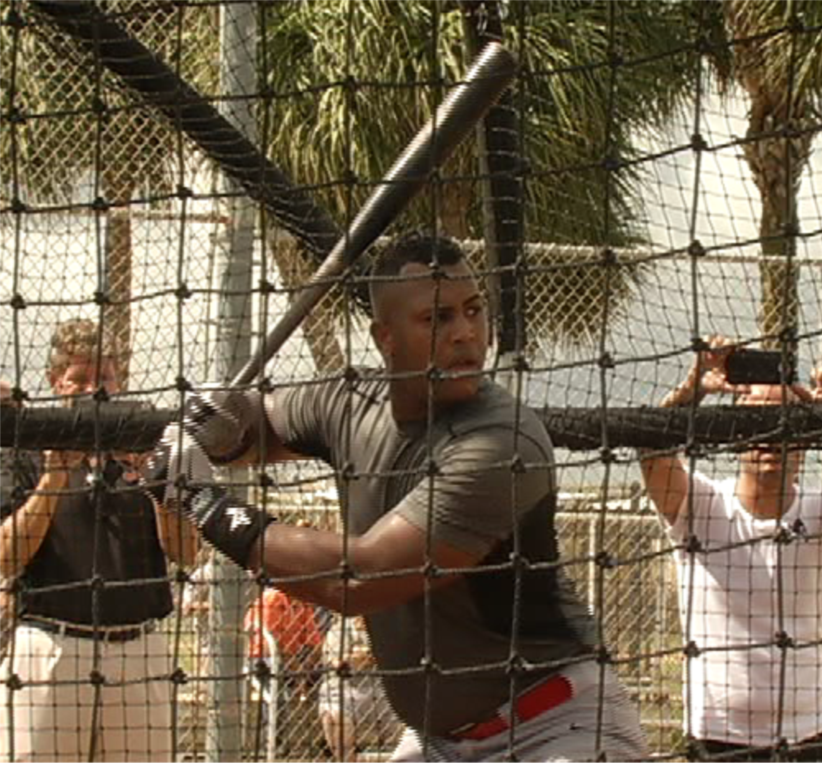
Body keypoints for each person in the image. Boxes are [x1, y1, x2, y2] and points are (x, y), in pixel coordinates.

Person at [154, 232, 649, 761]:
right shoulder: (346, 402)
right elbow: (252, 429)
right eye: (437, 318)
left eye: (473, 310)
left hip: (553, 728)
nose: (465, 333)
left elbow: (360, 578)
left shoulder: (502, 441)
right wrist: (215, 419)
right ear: (385, 337)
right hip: (436, 741)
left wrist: (202, 503)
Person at [639, 337, 822, 761]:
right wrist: (696, 384)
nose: (770, 436)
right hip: (716, 738)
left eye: (784, 422)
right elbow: (650, 448)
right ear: (734, 435)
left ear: (804, 437)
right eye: (756, 423)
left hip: (807, 739)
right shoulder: (701, 506)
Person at [0, 318, 199, 762]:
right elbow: (6, 558)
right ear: (56, 384)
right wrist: (53, 475)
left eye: (104, 377)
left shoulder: (150, 445)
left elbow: (187, 552)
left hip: (139, 650)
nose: (95, 388)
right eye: (80, 378)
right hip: (50, 646)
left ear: (119, 381)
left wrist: (153, 480)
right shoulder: (26, 448)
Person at [319, 615, 395, 760]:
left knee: (413, 729)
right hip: (343, 690)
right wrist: (371, 655)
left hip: (383, 690)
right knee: (334, 717)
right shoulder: (341, 629)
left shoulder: (386, 627)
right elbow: (340, 663)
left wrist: (363, 655)